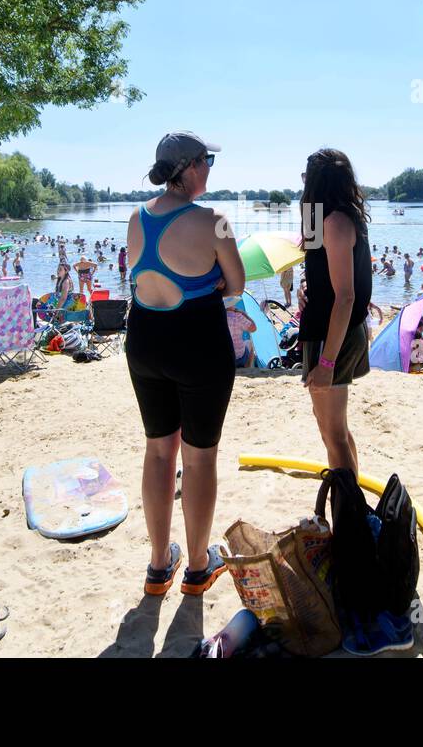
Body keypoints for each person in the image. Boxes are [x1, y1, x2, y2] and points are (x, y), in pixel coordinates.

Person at [125, 131, 243, 597]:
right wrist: (211, 279)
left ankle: (158, 566)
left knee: (157, 451)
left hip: (145, 342)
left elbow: (142, 276)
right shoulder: (215, 219)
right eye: (208, 161)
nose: (211, 169)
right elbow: (235, 285)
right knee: (199, 458)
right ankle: (196, 567)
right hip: (198, 343)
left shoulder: (136, 217)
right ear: (191, 167)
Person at [297, 148, 373, 477]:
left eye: (305, 177)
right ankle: (350, 506)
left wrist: (327, 363)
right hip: (323, 328)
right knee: (331, 430)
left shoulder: (337, 222)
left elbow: (345, 297)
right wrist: (305, 288)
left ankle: (349, 518)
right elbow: (315, 267)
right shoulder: (319, 217)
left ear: (315, 182)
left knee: (334, 435)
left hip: (335, 334)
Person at [226, 299, 257, 368]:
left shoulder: (215, 316)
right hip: (238, 358)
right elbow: (253, 328)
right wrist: (244, 314)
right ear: (231, 305)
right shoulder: (237, 316)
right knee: (250, 343)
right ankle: (247, 367)